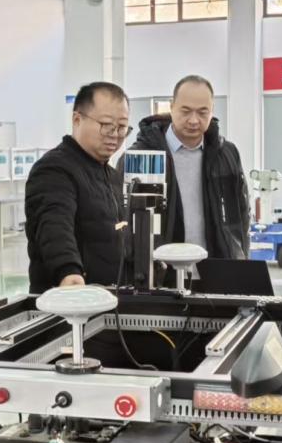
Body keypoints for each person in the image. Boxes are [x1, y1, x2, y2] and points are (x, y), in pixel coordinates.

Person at [26, 82, 130, 293]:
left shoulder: (113, 176)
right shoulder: (54, 169)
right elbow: (54, 225)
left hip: (109, 300)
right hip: (70, 300)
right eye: (107, 125)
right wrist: (68, 271)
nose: (115, 134)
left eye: (122, 127)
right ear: (77, 120)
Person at [132, 75, 250, 259]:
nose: (194, 120)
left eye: (202, 112)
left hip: (216, 267)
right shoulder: (141, 156)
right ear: (172, 107)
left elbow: (241, 214)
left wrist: (240, 256)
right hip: (160, 268)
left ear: (212, 111)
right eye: (185, 111)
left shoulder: (227, 154)